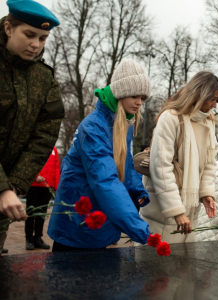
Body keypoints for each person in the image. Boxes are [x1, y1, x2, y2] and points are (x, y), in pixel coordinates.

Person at [47, 59, 152, 251]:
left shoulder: (124, 124)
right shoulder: (94, 127)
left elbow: (126, 164)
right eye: (134, 95)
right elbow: (104, 179)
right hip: (77, 218)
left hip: (99, 216)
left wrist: (136, 189)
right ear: (121, 93)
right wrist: (135, 225)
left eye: (143, 97)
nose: (139, 102)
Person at [0, 0, 63, 255]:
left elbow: (45, 135)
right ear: (8, 28)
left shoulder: (44, 77)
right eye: (29, 34)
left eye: (43, 38)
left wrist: (13, 186)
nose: (36, 44)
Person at [140, 71, 218, 244]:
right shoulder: (170, 118)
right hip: (163, 213)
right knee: (157, 267)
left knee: (183, 268)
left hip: (190, 210)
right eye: (213, 99)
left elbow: (209, 164)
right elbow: (161, 168)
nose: (215, 105)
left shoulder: (207, 122)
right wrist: (176, 211)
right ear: (200, 95)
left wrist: (206, 193)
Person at [25, 146, 60, 250]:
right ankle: (29, 239)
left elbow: (56, 168)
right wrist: (35, 176)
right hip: (34, 186)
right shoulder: (35, 146)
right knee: (31, 213)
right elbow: (28, 163)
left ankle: (38, 238)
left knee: (42, 213)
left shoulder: (54, 150)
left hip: (47, 187)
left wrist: (56, 186)